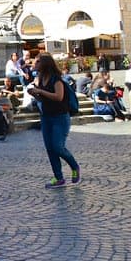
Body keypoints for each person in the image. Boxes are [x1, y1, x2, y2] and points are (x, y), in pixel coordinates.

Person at [30, 53, 80, 188]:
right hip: (46, 116)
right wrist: (36, 94)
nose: (34, 64)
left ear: (45, 63)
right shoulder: (40, 78)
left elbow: (58, 97)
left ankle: (75, 167)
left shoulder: (56, 79)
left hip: (60, 117)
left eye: (37, 61)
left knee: (58, 147)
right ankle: (59, 178)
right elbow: (43, 99)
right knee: (50, 149)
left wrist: (40, 91)